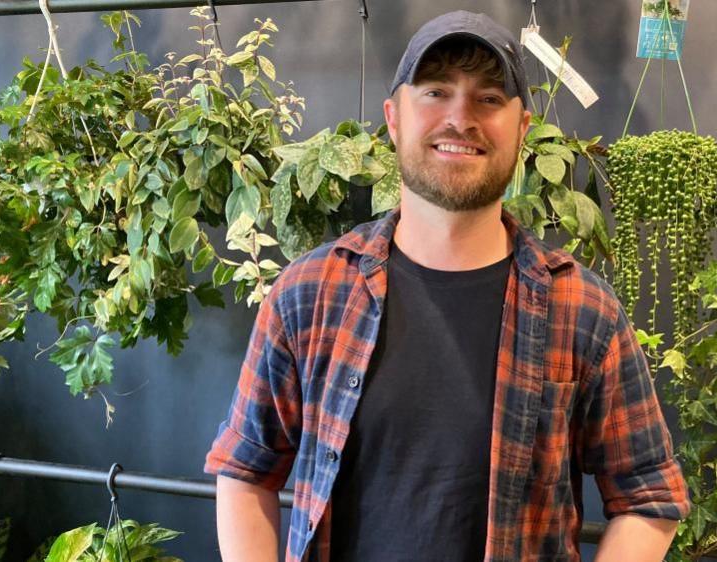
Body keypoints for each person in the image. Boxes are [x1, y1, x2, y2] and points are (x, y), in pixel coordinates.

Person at [205, 10, 690, 562]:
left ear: (522, 128)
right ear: (393, 118)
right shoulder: (309, 294)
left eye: (488, 97)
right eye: (436, 91)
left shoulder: (582, 309)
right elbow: (245, 472)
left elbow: (649, 496)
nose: (461, 117)